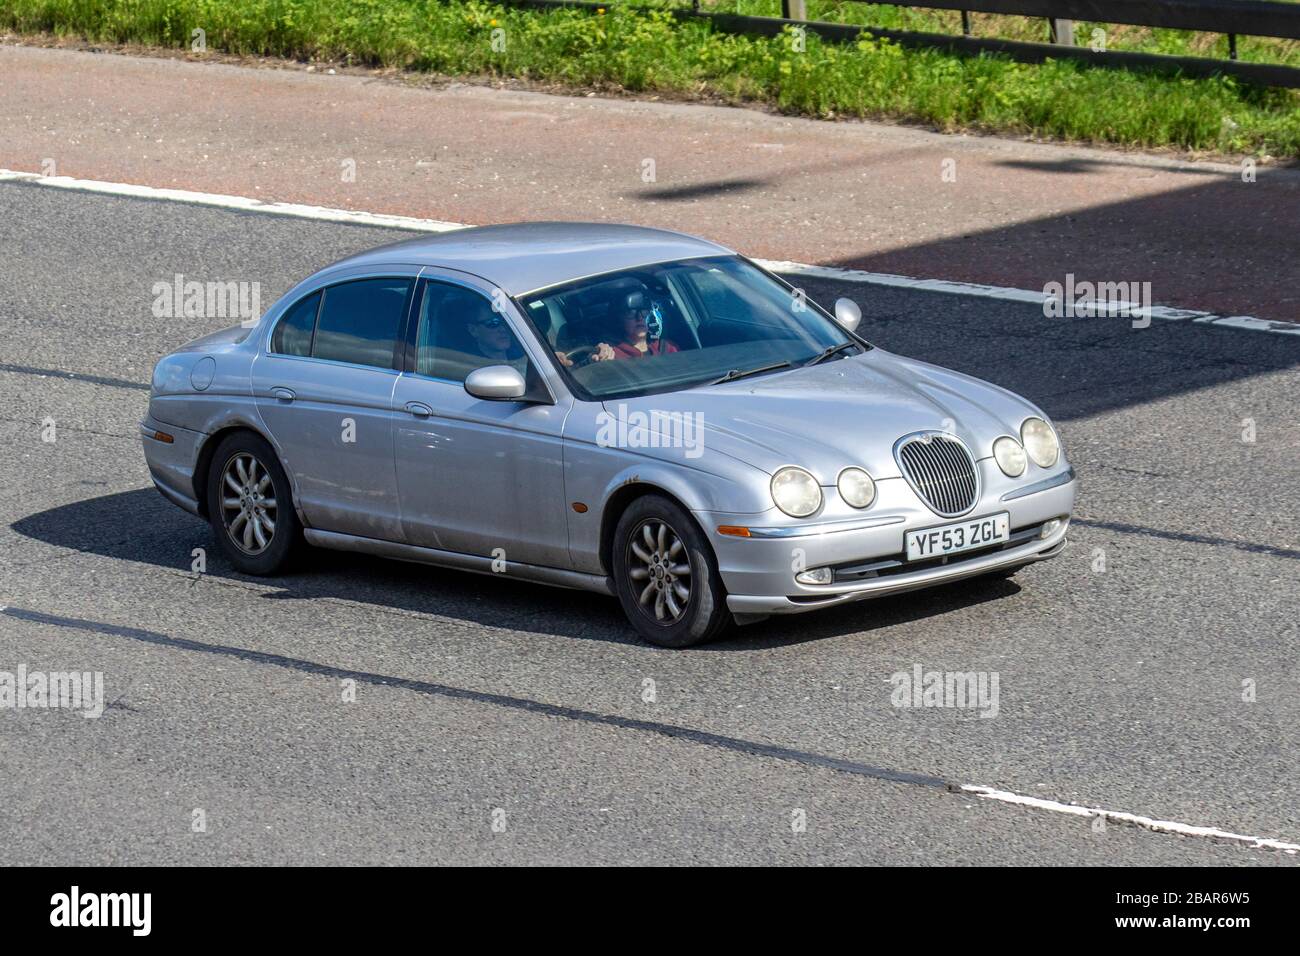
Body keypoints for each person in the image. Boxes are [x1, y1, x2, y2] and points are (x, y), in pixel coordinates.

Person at [591, 289, 679, 361]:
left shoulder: (669, 347)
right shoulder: (611, 355)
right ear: (618, 319)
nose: (639, 318)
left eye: (644, 311)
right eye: (630, 312)